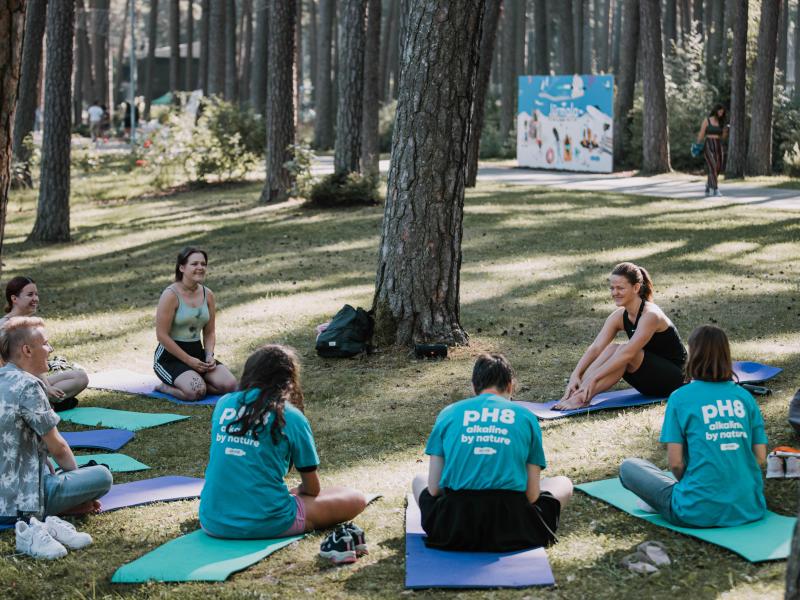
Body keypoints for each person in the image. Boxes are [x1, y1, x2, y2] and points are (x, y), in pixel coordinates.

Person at [199, 345, 366, 549]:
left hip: (212, 520)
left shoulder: (224, 404)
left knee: (333, 492)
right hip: (270, 520)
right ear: (288, 380)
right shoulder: (291, 416)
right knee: (356, 498)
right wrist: (297, 491)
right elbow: (313, 489)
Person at [412, 353, 572, 552]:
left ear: (473, 387)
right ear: (511, 386)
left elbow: (434, 489)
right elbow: (531, 496)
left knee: (419, 480)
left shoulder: (449, 413)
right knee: (563, 483)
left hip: (454, 527)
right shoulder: (526, 416)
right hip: (513, 527)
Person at [619, 325, 768, 527]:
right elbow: (759, 457)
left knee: (629, 467)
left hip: (694, 510)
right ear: (726, 355)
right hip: (750, 507)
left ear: (693, 355)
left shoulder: (680, 398)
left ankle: (663, 501)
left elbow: (676, 463)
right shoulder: (745, 397)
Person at [0, 317, 112, 558]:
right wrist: (77, 479)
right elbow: (58, 447)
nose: (50, 350)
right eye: (46, 344)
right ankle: (60, 511)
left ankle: (66, 505)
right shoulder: (29, 386)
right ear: (27, 350)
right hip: (18, 502)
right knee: (102, 475)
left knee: (51, 470)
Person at [554, 262, 687, 410]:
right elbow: (596, 347)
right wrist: (576, 374)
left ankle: (583, 398)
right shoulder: (619, 316)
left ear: (636, 288)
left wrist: (594, 378)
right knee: (612, 349)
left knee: (626, 352)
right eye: (612, 288)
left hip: (676, 381)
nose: (614, 293)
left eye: (620, 288)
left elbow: (628, 353)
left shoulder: (651, 315)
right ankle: (577, 394)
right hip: (649, 379)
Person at [154, 247, 237, 401]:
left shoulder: (208, 294)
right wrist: (188, 360)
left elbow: (209, 332)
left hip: (197, 354)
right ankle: (165, 387)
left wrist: (209, 355)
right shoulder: (170, 295)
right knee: (195, 392)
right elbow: (162, 336)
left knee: (230, 385)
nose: (200, 267)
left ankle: (198, 382)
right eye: (194, 264)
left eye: (203, 264)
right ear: (182, 268)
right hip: (170, 357)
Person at [1, 276, 89, 412]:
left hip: (31, 380)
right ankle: (41, 404)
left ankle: (43, 403)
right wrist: (45, 387)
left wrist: (47, 386)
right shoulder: (5, 327)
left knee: (80, 377)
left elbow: (35, 363)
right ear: (14, 299)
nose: (35, 298)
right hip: (12, 384)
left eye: (36, 294)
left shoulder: (29, 324)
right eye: (30, 295)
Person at [695, 103, 728, 197]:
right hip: (708, 144)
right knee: (712, 166)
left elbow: (723, 137)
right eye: (720, 111)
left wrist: (725, 131)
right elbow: (701, 133)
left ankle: (708, 185)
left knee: (718, 167)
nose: (721, 113)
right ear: (716, 111)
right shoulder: (707, 120)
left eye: (723, 112)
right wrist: (697, 145)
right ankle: (715, 189)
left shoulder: (721, 122)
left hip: (718, 144)